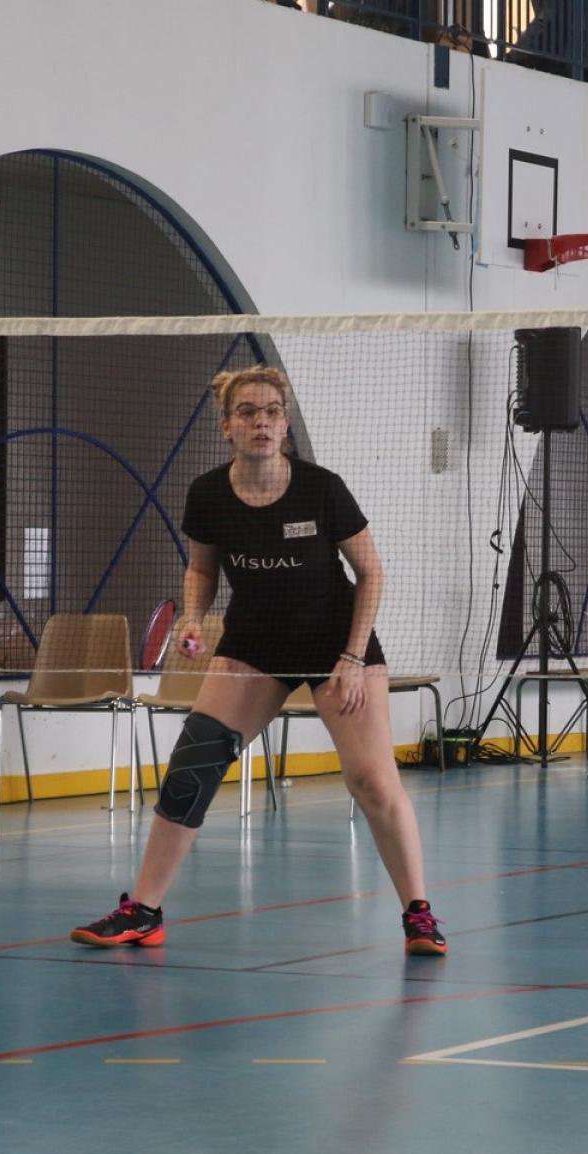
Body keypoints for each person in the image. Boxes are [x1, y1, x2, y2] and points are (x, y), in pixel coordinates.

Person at [71, 366, 447, 956]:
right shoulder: (207, 494)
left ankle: (418, 913)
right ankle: (143, 910)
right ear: (227, 427)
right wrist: (194, 617)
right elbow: (202, 569)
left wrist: (352, 657)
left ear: (285, 424)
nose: (261, 422)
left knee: (373, 782)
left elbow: (371, 572)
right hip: (254, 644)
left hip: (335, 644)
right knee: (193, 767)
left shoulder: (322, 489)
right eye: (247, 412)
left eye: (272, 412)